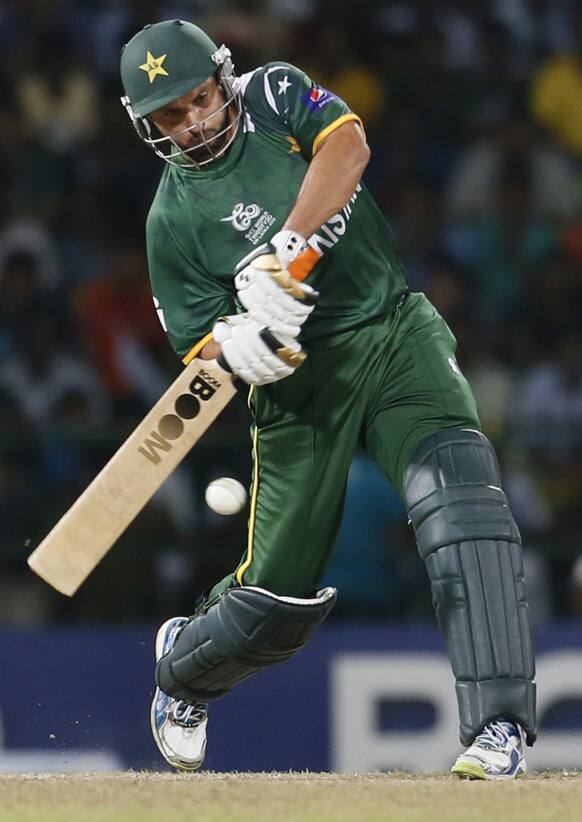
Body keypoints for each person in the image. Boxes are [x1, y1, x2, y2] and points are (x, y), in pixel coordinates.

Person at [120, 19, 536, 779]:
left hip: (389, 330)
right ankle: (182, 674)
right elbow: (198, 346)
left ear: (223, 77)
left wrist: (289, 251)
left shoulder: (275, 94)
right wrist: (240, 349)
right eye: (169, 116)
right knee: (273, 604)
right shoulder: (171, 222)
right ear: (148, 125)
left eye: (199, 100)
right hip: (298, 389)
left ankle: (497, 730)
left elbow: (348, 147)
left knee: (463, 506)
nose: (192, 123)